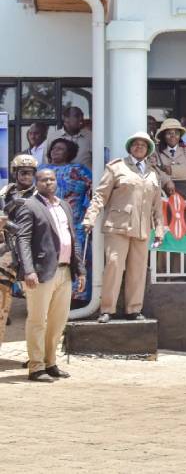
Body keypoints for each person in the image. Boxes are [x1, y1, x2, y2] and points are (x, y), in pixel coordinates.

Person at [83, 133, 166, 324]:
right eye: (135, 144)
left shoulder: (153, 172)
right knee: (113, 265)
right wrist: (90, 218)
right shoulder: (116, 167)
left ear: (148, 150)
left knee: (137, 269)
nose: (139, 147)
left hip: (142, 227)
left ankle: (133, 309)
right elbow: (100, 196)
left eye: (143, 145)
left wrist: (160, 229)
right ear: (130, 147)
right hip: (118, 225)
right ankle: (107, 309)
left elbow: (157, 206)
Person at [13, 168, 85, 381]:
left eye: (51, 179)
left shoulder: (63, 205)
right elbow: (22, 240)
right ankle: (36, 367)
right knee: (37, 320)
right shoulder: (29, 206)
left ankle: (50, 362)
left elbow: (73, 239)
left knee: (57, 321)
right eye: (43, 180)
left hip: (64, 271)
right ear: (37, 183)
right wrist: (28, 270)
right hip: (41, 273)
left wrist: (80, 270)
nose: (48, 183)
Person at [42, 138, 93, 303]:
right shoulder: (42, 170)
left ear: (69, 153)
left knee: (76, 259)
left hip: (74, 223)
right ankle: (48, 297)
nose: (55, 151)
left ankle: (77, 298)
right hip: (46, 224)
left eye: (61, 149)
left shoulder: (79, 170)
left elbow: (94, 188)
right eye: (54, 148)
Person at [0, 154, 39, 333]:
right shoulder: (5, 192)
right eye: (22, 172)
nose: (26, 176)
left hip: (31, 247)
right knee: (3, 290)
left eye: (29, 173)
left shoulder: (40, 193)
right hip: (7, 247)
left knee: (33, 294)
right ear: (15, 173)